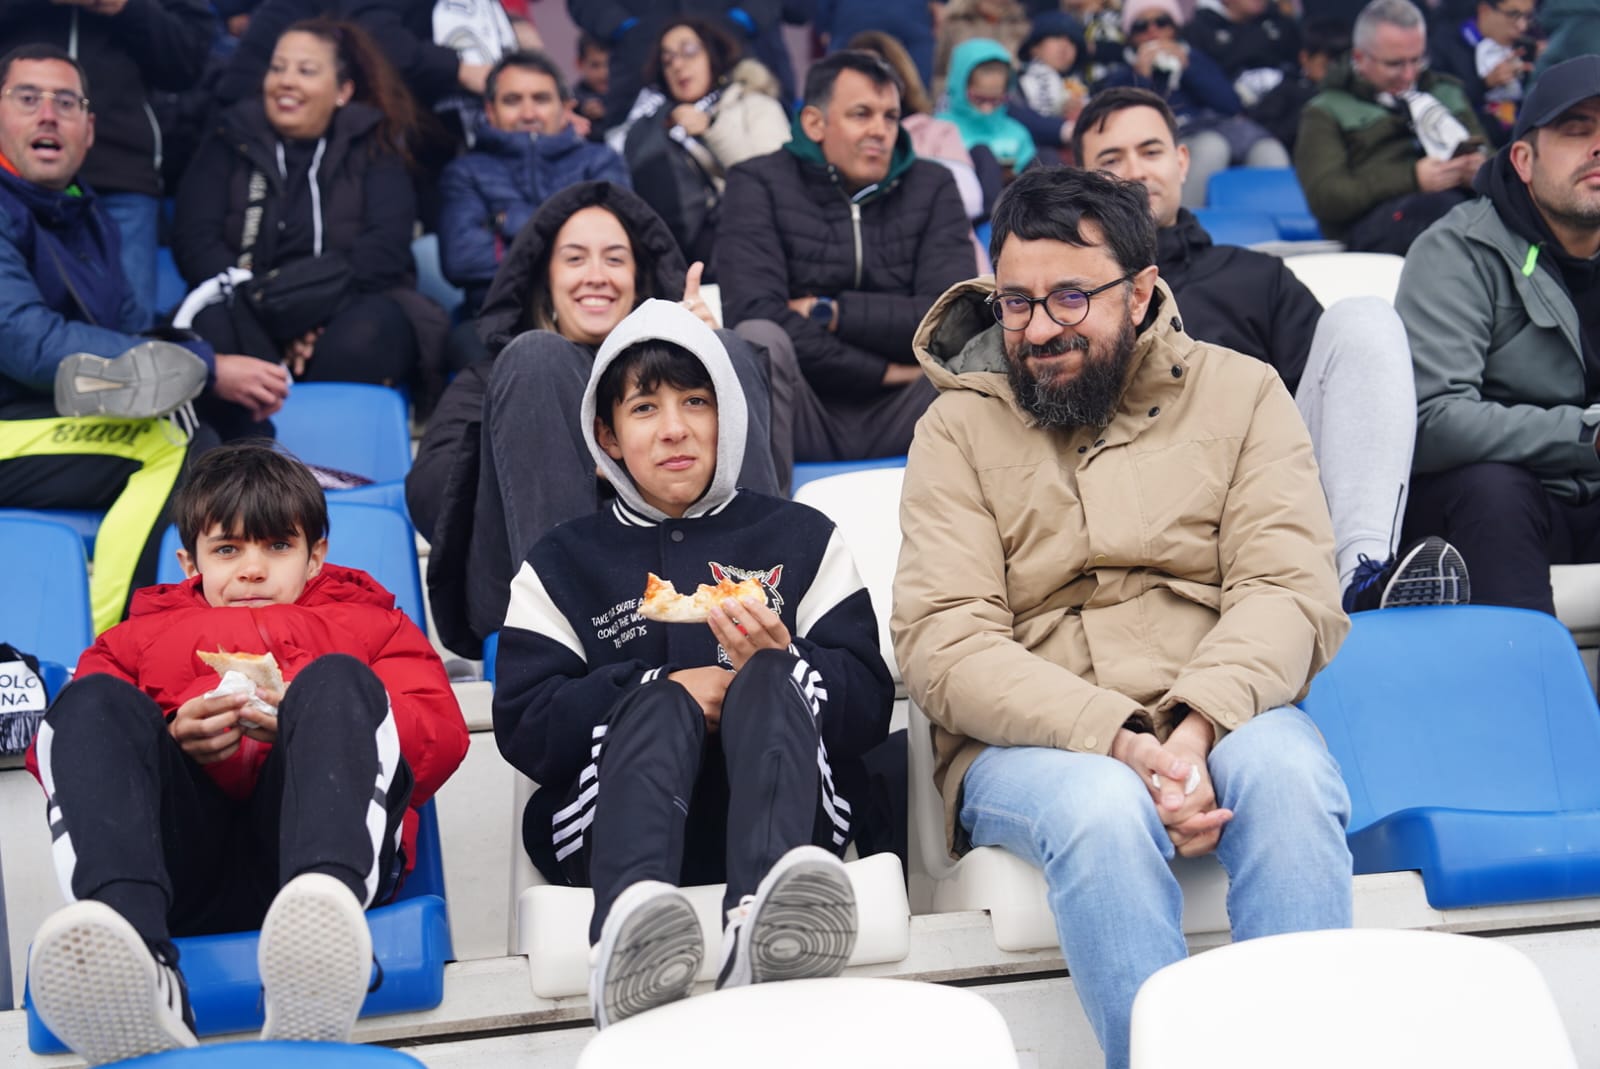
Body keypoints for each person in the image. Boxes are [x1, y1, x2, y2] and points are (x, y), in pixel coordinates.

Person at [892, 166, 1355, 1069]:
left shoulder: (1245, 392)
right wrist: (1119, 739)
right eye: (1017, 302)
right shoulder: (952, 431)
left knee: (1292, 776)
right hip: (1034, 746)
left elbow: (1289, 587)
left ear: (1140, 292)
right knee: (1104, 806)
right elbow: (943, 642)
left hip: (1222, 709)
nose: (1038, 329)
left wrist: (1194, 729)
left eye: (1071, 297)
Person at [493, 299, 893, 1028]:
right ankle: (634, 927)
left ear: (728, 415)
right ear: (608, 435)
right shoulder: (560, 561)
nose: (674, 427)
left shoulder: (803, 537)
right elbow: (523, 721)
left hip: (797, 815)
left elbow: (869, 700)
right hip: (608, 823)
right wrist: (658, 686)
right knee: (660, 700)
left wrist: (787, 658)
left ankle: (771, 919)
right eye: (645, 407)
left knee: (772, 674)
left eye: (696, 401)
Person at [24, 442, 470, 1066]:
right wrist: (171, 736)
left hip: (316, 849)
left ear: (316, 555)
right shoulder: (130, 642)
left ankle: (318, 948)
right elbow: (72, 755)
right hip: (179, 871)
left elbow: (440, 739)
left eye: (277, 546)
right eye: (228, 549)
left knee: (338, 681)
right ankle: (137, 956)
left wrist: (309, 725)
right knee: (89, 700)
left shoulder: (375, 626)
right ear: (191, 562)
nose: (252, 569)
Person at [1075, 86, 1469, 610]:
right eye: (1111, 159)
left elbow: (1338, 406)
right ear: (1081, 182)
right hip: (1133, 515)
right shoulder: (1063, 301)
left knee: (1364, 318)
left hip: (1265, 494)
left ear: (1181, 160)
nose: (1135, 171)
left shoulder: (1254, 276)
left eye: (1150, 151)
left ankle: (1363, 577)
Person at [409, 181, 783, 658]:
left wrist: (707, 368)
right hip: (545, 595)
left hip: (693, 575)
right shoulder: (498, 374)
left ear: (639, 279)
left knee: (730, 347)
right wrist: (571, 456)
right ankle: (584, 632)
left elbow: (770, 479)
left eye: (614, 259)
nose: (596, 276)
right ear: (544, 279)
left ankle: (754, 608)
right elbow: (430, 495)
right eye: (574, 258)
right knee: (537, 358)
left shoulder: (704, 367)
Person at [0, 43, 287, 635]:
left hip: (44, 420)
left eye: (66, 102)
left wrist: (215, 367)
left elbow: (129, 332)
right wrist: (206, 365)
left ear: (89, 129)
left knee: (230, 437)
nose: (48, 115)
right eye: (27, 99)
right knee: (171, 440)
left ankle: (244, 626)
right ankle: (109, 645)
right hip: (11, 422)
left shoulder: (85, 212)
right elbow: (27, 342)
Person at [1397, 56, 1600, 615]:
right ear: (1523, 160)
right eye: (1577, 130)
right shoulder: (1456, 250)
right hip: (1505, 503)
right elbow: (1433, 419)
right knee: (1495, 489)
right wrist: (1585, 435)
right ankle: (1524, 697)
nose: (1598, 147)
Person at [174, 19, 441, 440]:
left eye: (306, 70)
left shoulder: (375, 143)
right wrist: (268, 315)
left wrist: (303, 312)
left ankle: (335, 462)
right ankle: (245, 468)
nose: (286, 82)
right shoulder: (229, 137)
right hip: (246, 307)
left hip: (347, 305)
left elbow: (384, 249)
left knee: (369, 331)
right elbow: (195, 241)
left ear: (343, 91)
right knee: (214, 332)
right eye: (278, 68)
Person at [716, 51, 977, 463]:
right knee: (757, 338)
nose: (880, 131)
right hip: (802, 409)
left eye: (890, 116)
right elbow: (754, 311)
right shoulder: (757, 182)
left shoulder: (932, 185)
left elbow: (950, 318)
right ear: (815, 123)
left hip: (913, 409)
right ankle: (766, 521)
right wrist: (883, 372)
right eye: (862, 114)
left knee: (985, 348)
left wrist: (831, 312)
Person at [0, 0, 213, 328]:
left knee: (129, 344)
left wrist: (122, 5)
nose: (50, 112)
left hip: (122, 174)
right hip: (11, 175)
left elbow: (187, 59)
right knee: (19, 332)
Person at [437, 47, 629, 367]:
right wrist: (571, 248)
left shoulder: (600, 162)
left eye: (540, 99)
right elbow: (462, 260)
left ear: (566, 108)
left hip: (594, 316)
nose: (528, 113)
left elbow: (618, 249)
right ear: (490, 110)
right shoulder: (465, 171)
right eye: (512, 101)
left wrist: (508, 223)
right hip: (497, 320)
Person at [1295, 0, 1487, 254]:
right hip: (1374, 228)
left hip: (1457, 208)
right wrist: (1411, 178)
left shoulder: (1445, 92)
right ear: (1359, 58)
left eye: (1417, 60)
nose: (1408, 75)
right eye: (1394, 64)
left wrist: (1480, 171)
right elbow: (1326, 197)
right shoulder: (1326, 110)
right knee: (1445, 215)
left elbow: (1492, 157)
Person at [607, 19, 790, 273]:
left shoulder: (754, 104)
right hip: (676, 251)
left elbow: (774, 180)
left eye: (689, 52)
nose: (678, 66)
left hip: (750, 245)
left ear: (713, 55)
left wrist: (711, 128)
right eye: (668, 60)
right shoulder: (654, 121)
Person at [1095, 0, 1290, 206]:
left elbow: (1230, 104)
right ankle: (1185, 225)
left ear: (1175, 27)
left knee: (1267, 149)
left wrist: (1188, 67)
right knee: (1212, 147)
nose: (1153, 31)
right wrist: (1142, 77)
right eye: (1141, 26)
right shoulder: (1122, 74)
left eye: (1162, 22)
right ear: (1130, 36)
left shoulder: (1195, 58)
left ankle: (1282, 223)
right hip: (1173, 137)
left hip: (1217, 126)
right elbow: (1127, 123)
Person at [847, 30, 994, 261]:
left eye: (877, 71)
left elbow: (967, 200)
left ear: (900, 78)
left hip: (942, 256)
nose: (867, 83)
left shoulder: (935, 131)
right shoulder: (834, 141)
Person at [1428, 0, 1536, 146]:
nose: (1522, 26)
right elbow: (1438, 105)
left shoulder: (1525, 48)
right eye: (1513, 14)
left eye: (1528, 16)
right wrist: (1485, 84)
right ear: (1485, 10)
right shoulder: (1446, 46)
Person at [936, 39, 1039, 177]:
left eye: (996, 100)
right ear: (960, 89)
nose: (987, 108)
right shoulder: (940, 130)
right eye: (980, 99)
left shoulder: (1017, 133)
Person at [1185, 0, 1302, 115]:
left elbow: (1302, 63)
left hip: (1294, 99)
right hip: (1237, 115)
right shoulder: (1200, 31)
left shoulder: (1278, 19)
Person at [1251, 18, 1351, 152]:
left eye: (1342, 65)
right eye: (1327, 66)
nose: (1335, 72)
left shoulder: (1353, 93)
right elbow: (1265, 131)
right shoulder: (1288, 89)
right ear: (1305, 58)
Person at [1011, 11, 1091, 166]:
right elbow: (1018, 118)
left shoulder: (1084, 86)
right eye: (1056, 37)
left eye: (1072, 42)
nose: (1065, 46)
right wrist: (1064, 127)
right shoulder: (1017, 83)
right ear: (1034, 47)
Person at [932, 0, 1030, 99]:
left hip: (1007, 98)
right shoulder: (956, 21)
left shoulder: (1020, 22)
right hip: (958, 99)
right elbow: (938, 70)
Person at [575, 34, 611, 133]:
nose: (604, 73)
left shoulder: (628, 96)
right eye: (595, 65)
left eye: (610, 64)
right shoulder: (572, 100)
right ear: (579, 64)